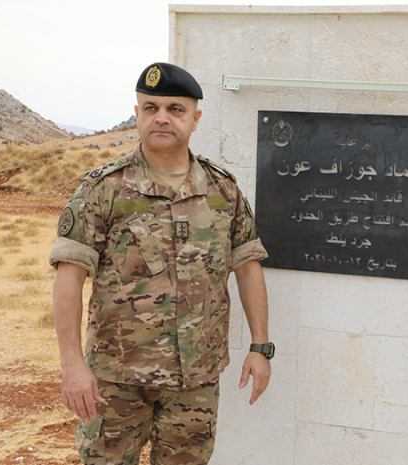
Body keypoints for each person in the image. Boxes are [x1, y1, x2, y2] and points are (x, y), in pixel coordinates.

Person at [50, 62, 276, 465]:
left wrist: (261, 347)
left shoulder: (222, 191)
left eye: (176, 109)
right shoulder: (103, 189)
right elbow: (69, 276)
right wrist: (72, 364)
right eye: (151, 108)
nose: (162, 118)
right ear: (136, 114)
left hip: (195, 380)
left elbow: (248, 267)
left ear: (195, 119)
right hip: (116, 380)